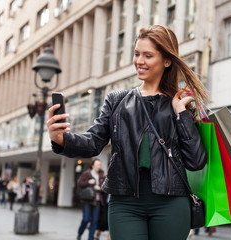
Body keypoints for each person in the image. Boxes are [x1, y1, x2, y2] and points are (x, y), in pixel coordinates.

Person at [47, 25, 208, 240]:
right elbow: (94, 141)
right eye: (137, 54)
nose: (139, 61)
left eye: (148, 55)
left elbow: (196, 161)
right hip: (125, 201)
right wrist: (61, 138)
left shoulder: (180, 103)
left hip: (172, 202)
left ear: (167, 61)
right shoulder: (117, 100)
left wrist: (181, 113)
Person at [76, 159, 105, 240]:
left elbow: (105, 188)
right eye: (97, 165)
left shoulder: (102, 175)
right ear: (93, 165)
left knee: (94, 221)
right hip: (87, 200)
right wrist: (89, 182)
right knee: (86, 219)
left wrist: (100, 188)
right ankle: (80, 233)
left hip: (98, 201)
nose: (99, 166)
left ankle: (90, 238)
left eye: (100, 165)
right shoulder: (86, 173)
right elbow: (79, 183)